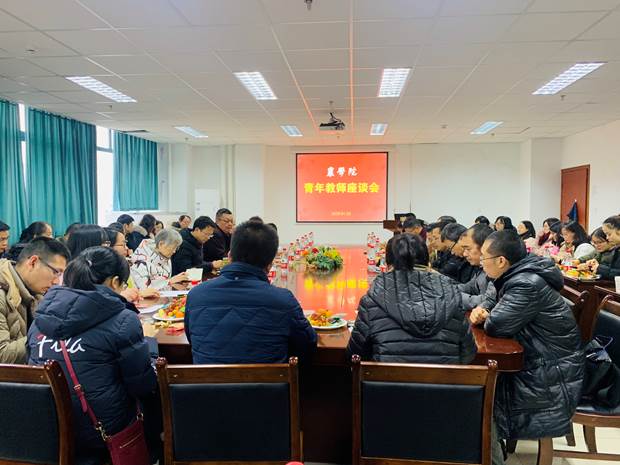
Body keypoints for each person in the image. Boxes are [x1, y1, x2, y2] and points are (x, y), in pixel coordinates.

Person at [26, 247, 158, 463]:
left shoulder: (40, 319)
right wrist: (150, 345)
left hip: (49, 429)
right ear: (115, 282)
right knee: (155, 403)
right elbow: (142, 385)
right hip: (103, 431)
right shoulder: (123, 320)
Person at [469, 230, 584, 441]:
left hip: (551, 369)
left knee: (479, 386)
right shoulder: (513, 273)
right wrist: (483, 308)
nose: (481, 263)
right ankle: (488, 442)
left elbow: (497, 326)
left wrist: (486, 315)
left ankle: (487, 444)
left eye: (484, 257)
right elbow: (492, 298)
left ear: (501, 261)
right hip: (541, 357)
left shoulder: (526, 283)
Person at [185, 220, 317, 364]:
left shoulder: (195, 296)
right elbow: (308, 344)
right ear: (270, 264)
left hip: (205, 379)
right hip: (269, 379)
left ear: (229, 256)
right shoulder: (283, 300)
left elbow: (192, 339)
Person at [347, 233, 476, 363]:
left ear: (388, 264)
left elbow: (356, 353)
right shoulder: (451, 295)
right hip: (445, 376)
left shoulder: (372, 300)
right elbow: (468, 353)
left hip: (387, 376)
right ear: (428, 263)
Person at [0, 237, 70, 363]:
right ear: (33, 262)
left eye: (60, 275)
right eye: (56, 272)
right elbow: (2, 355)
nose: (56, 282)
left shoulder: (37, 293)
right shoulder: (2, 295)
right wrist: (44, 334)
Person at [458, 224, 496, 311]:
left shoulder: (497, 269)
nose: (464, 254)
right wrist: (447, 289)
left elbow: (488, 301)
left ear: (484, 246)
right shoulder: (481, 268)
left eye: (468, 249)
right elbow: (469, 287)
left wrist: (455, 296)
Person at [586, 215, 620, 280]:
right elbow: (613, 270)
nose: (607, 237)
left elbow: (617, 274)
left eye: (609, 234)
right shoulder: (617, 249)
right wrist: (596, 265)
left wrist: (599, 268)